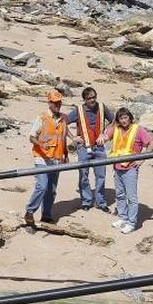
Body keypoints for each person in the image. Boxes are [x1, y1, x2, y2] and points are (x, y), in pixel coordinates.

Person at [96, 108, 153, 234]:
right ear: (118, 120)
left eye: (125, 118)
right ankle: (123, 218)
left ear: (130, 117)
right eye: (121, 118)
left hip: (130, 169)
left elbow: (152, 143)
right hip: (117, 167)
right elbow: (106, 136)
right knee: (120, 194)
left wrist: (142, 159)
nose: (123, 121)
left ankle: (131, 222)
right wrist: (103, 137)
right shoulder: (116, 129)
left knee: (131, 197)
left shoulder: (138, 130)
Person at [66, 86, 116, 211]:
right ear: (85, 100)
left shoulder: (102, 107)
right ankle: (86, 201)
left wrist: (105, 134)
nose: (92, 100)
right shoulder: (78, 111)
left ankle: (101, 202)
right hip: (84, 147)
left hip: (99, 148)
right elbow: (62, 123)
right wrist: (73, 137)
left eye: (94, 97)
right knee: (83, 175)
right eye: (89, 98)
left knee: (101, 175)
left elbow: (114, 120)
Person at [25, 90, 70, 226]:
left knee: (51, 189)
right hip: (42, 158)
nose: (58, 105)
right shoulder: (42, 118)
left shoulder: (63, 118)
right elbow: (32, 136)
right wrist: (40, 143)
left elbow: (63, 138)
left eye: (59, 102)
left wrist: (66, 154)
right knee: (42, 186)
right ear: (49, 103)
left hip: (56, 159)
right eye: (55, 102)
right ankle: (30, 211)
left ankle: (46, 215)